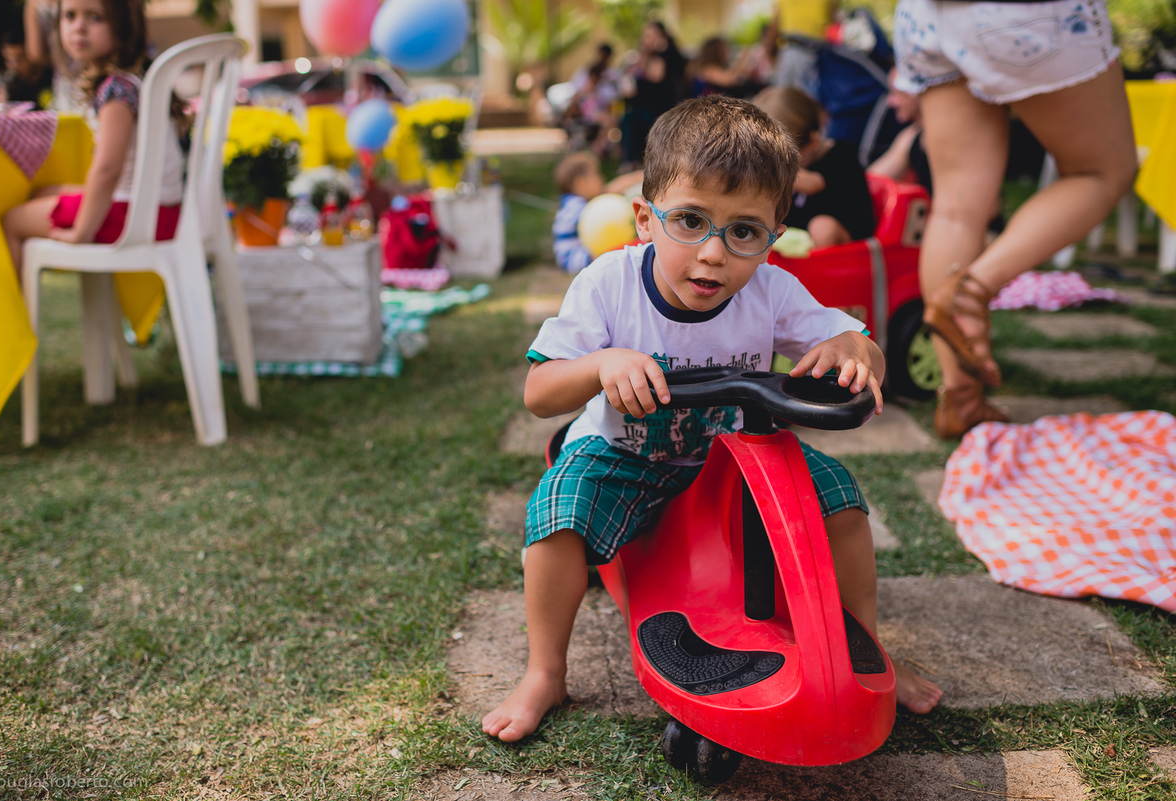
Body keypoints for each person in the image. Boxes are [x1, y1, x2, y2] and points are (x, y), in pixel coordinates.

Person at [482, 95, 942, 744]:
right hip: (626, 452)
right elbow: (539, 390)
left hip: (736, 460)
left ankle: (856, 637)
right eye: (691, 221)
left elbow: (852, 341)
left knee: (839, 498)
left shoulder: (771, 289)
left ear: (774, 236)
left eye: (744, 231)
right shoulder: (607, 284)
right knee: (558, 511)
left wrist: (854, 348)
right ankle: (545, 670)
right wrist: (601, 365)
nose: (714, 253)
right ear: (644, 219)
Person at [894, 0, 1137, 438]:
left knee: (955, 209)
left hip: (925, 17)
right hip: (1023, 13)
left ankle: (960, 400)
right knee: (1101, 172)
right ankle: (972, 290)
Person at [1, 0, 185, 280]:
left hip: (136, 217)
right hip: (161, 211)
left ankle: (10, 318)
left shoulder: (116, 90)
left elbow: (107, 169)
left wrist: (81, 232)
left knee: (12, 220)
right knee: (42, 192)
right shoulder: (132, 79)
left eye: (95, 18)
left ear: (122, 25)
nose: (79, 27)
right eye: (69, 16)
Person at [752, 86, 874, 248]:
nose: (777, 164)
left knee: (823, 228)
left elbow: (812, 184)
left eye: (785, 159)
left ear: (812, 142)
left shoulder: (842, 156)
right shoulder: (793, 162)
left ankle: (821, 270)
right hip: (803, 232)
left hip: (847, 240)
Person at [552, 152, 644, 274]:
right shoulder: (577, 206)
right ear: (581, 183)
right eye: (596, 175)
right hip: (576, 259)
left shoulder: (572, 203)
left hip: (574, 257)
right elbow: (607, 194)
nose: (602, 179)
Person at [618, 21, 687, 170]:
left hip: (663, 107)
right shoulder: (652, 55)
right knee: (627, 117)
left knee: (631, 118)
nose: (646, 39)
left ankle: (631, 161)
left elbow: (655, 80)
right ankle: (629, 159)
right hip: (648, 105)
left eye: (649, 35)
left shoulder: (667, 55)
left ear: (660, 36)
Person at [0, 27, 55, 109]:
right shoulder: (11, 88)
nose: (14, 66)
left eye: (19, 58)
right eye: (9, 60)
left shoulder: (54, 79)